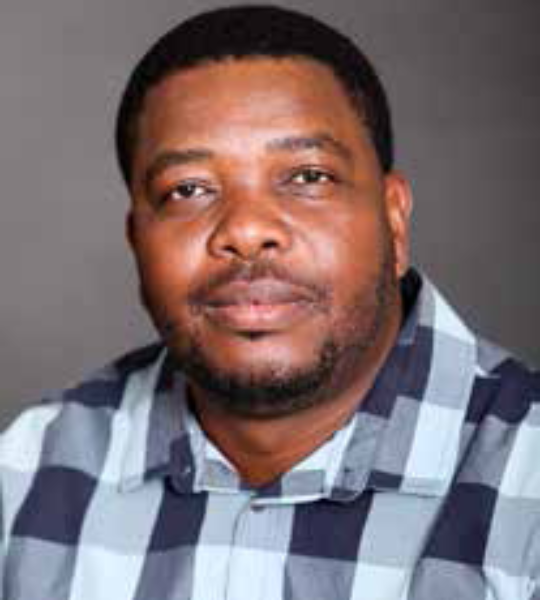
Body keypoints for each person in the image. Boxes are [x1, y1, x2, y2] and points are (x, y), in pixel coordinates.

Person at [1, 5, 538, 599]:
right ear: (137, 241)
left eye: (307, 177)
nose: (247, 230)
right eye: (188, 189)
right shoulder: (26, 475)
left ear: (394, 219)